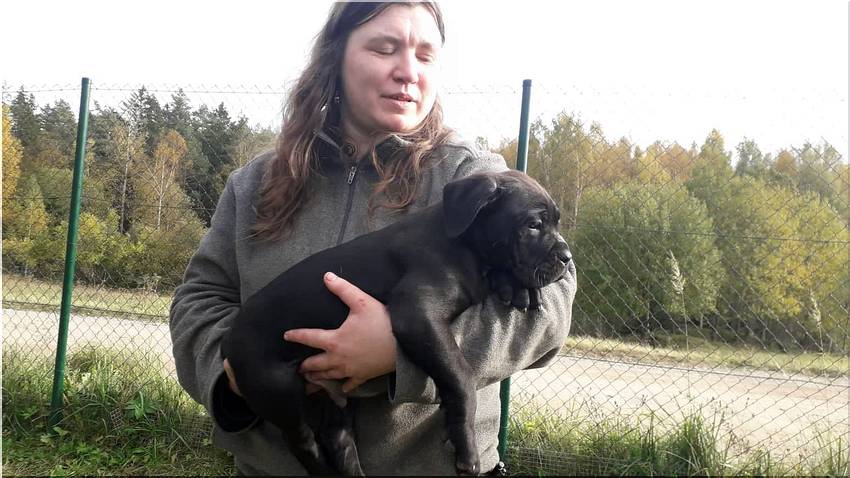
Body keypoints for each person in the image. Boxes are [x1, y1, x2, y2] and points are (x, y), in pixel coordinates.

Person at [169, 2, 576, 475]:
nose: (408, 72)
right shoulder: (256, 182)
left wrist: (400, 353)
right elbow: (201, 297)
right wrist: (236, 379)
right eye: (384, 49)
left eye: (425, 55)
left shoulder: (471, 177)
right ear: (336, 57)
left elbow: (551, 308)